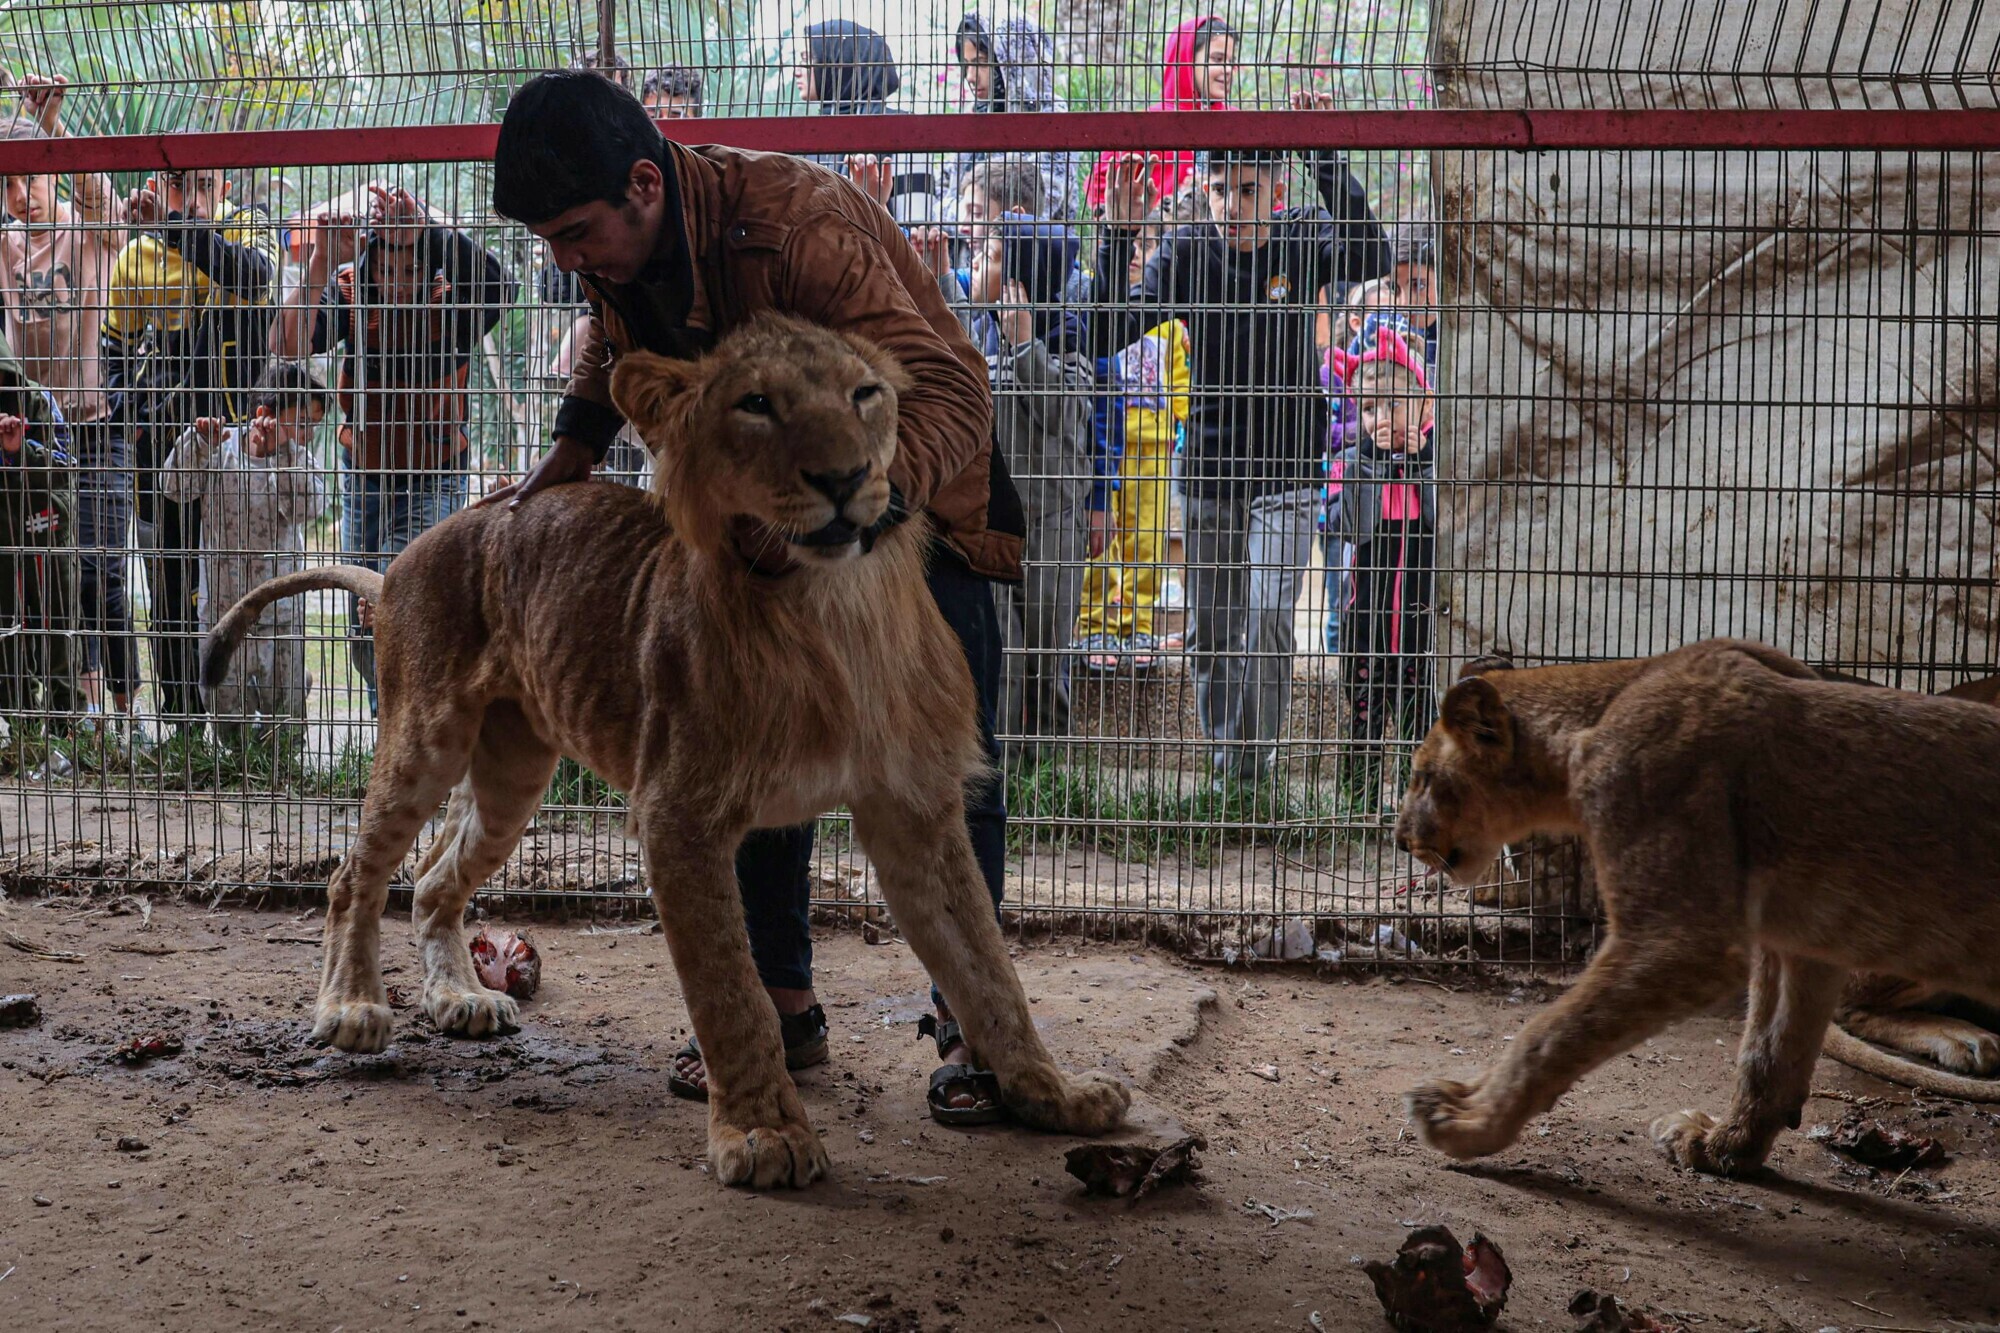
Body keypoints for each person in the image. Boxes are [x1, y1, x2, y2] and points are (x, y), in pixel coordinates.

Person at [484, 71, 1026, 1123]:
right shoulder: (627, 242)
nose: (564, 260)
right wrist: (570, 449)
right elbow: (613, 338)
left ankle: (973, 1035)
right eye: (549, 240)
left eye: (574, 232)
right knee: (749, 730)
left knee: (942, 770)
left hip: (923, 498)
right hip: (775, 507)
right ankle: (782, 1006)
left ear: (644, 184)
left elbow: (955, 384)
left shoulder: (797, 225)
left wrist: (863, 510)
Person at [1091, 133, 1390, 786]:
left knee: (1269, 618)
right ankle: (1229, 771)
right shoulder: (1188, 249)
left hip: (1286, 472)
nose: (1231, 203)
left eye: (1247, 189)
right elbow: (1106, 332)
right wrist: (1117, 238)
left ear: (1275, 189)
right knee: (1212, 636)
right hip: (1209, 475)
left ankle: (1253, 772)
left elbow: (1374, 254)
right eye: (1220, 190)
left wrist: (1325, 159)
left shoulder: (1305, 233)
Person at [267, 184, 517, 712]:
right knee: (363, 628)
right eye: (387, 269)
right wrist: (319, 261)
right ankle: (399, 725)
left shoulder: (454, 299)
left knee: (402, 604)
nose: (399, 283)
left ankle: (416, 734)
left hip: (432, 475)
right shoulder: (351, 289)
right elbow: (285, 344)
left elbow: (504, 287)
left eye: (411, 269)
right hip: (365, 478)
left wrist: (425, 229)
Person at [102, 165, 279, 737]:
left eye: (205, 183)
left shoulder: (250, 228)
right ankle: (182, 726)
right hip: (164, 453)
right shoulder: (136, 256)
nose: (194, 196)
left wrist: (176, 227)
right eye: (180, 185)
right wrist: (132, 418)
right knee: (170, 586)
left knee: (244, 586)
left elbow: (253, 278)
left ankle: (252, 729)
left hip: (237, 451)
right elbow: (114, 347)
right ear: (158, 186)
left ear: (225, 186)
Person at [0, 83, 142, 750]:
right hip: (36, 437)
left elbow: (107, 210)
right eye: (5, 182)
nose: (18, 194)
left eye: (27, 176)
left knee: (103, 571)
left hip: (94, 423)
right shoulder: (6, 250)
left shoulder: (86, 231)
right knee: (55, 575)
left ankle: (129, 709)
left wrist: (51, 123)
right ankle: (81, 714)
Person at [930, 212, 1092, 756]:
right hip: (995, 529)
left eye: (991, 257)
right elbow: (944, 336)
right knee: (1002, 658)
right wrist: (941, 276)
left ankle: (1049, 770)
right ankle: (996, 769)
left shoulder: (1067, 348)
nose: (979, 262)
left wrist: (1025, 346)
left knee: (1048, 657)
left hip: (1054, 531)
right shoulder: (979, 336)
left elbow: (1061, 415)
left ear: (1022, 284)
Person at [158, 363, 329, 749]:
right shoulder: (221, 448)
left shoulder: (296, 459)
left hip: (279, 615)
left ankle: (279, 767)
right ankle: (237, 762)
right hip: (222, 613)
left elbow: (310, 508)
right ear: (264, 415)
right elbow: (172, 487)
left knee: (285, 715)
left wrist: (284, 454)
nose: (307, 434)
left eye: (313, 425)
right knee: (222, 706)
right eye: (300, 422)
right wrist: (198, 445)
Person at [1325, 326, 1436, 800]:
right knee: (1365, 709)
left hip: (1420, 617)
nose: (1379, 418)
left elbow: (1444, 521)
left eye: (1393, 404)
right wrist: (1367, 462)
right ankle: (1359, 802)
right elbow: (1352, 528)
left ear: (1422, 407)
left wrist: (1425, 462)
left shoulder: (1436, 459)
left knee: (1420, 714)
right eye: (1368, 408)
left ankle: (1421, 807)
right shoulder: (1349, 462)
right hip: (1365, 616)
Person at [0, 325, 78, 768]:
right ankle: (20, 728)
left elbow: (65, 468)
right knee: (6, 632)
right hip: (2, 538)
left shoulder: (37, 401)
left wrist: (20, 449)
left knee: (56, 625)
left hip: (45, 526)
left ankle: (68, 724)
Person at [793, 20, 942, 227]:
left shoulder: (901, 129)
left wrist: (873, 203)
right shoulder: (811, 137)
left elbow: (918, 235)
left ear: (840, 60)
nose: (797, 71)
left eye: (807, 59)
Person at [1084, 16, 1238, 212]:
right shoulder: (1147, 124)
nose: (1228, 70)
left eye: (1231, 62)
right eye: (1217, 59)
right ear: (1186, 59)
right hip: (1156, 239)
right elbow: (1100, 185)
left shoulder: (1236, 122)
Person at [946, 11, 1076, 221]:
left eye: (980, 63)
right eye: (966, 64)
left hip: (1030, 248)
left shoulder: (1048, 114)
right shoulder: (973, 115)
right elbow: (944, 195)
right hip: (967, 249)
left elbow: (1045, 200)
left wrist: (974, 215)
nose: (970, 76)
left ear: (1012, 60)